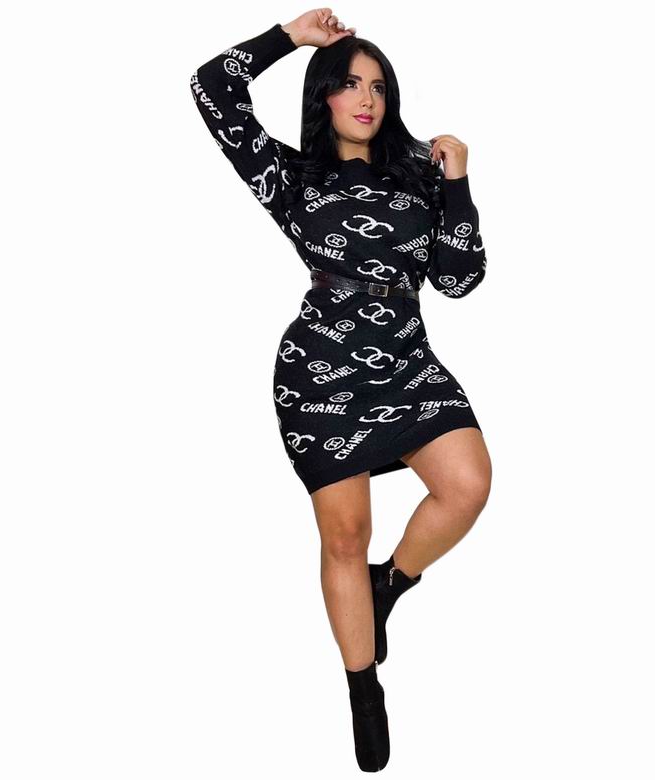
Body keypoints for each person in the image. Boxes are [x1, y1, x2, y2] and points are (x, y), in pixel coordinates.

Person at [190, 8, 492, 771]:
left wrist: (457, 183)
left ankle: (390, 583)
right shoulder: (294, 178)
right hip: (321, 369)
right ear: (323, 94)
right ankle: (363, 688)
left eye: (379, 86)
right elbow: (212, 88)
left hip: (408, 362)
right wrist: (290, 38)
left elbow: (459, 280)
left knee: (467, 486)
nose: (366, 98)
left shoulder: (420, 172)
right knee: (344, 537)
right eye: (350, 83)